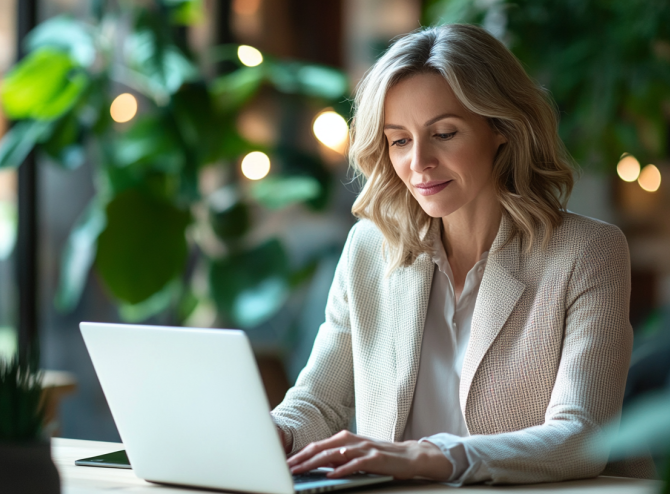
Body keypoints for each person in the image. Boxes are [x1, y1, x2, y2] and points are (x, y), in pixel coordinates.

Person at [270, 23, 640, 485]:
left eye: (444, 133)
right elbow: (318, 404)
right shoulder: (369, 248)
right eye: (399, 140)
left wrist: (429, 456)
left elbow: (582, 435)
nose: (419, 162)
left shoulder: (586, 253)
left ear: (501, 128)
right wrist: (273, 433)